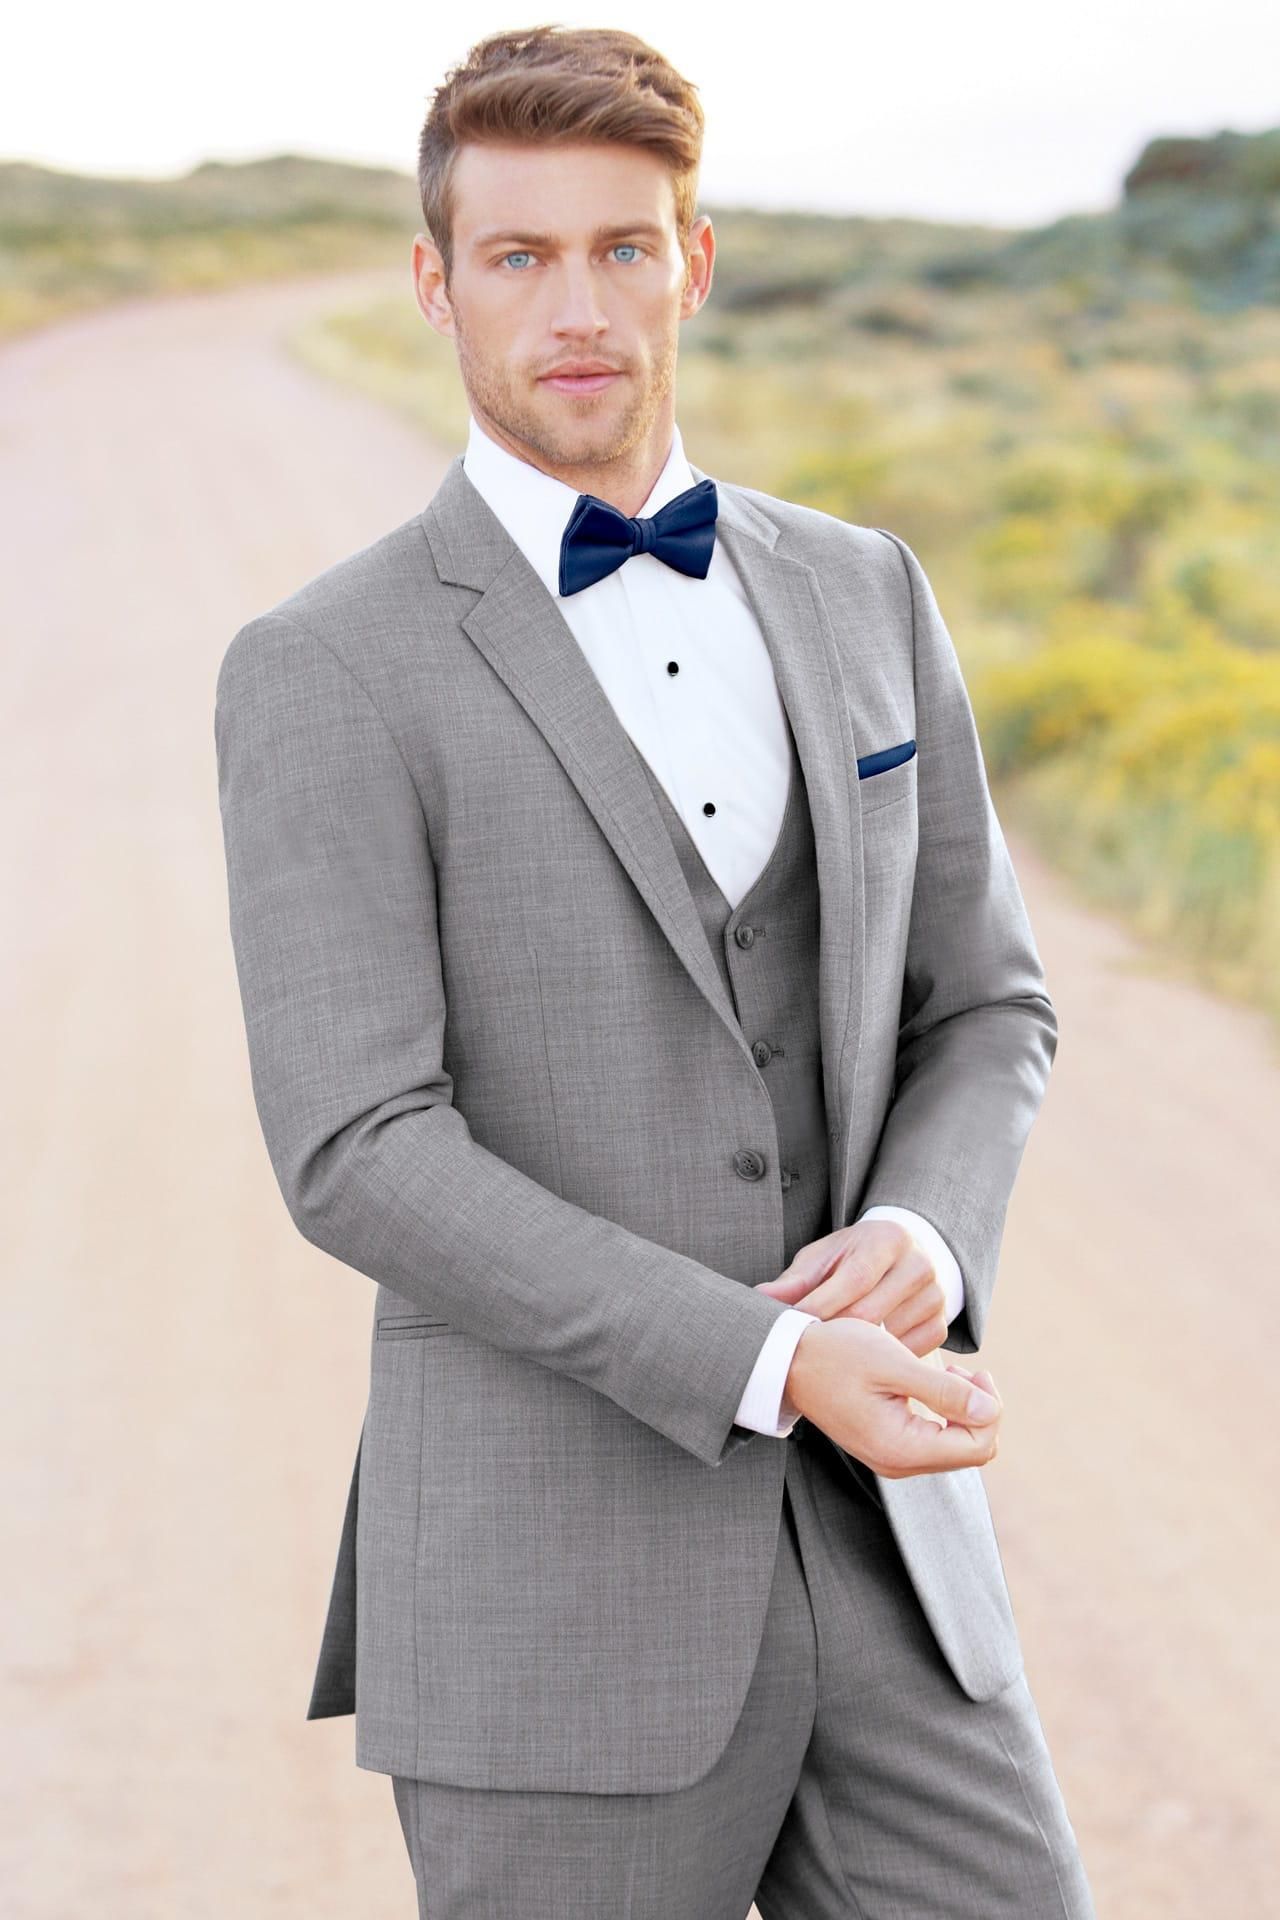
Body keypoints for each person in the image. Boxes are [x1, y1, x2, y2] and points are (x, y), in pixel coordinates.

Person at [214, 22, 1096, 1919]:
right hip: (552, 1597)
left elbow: (988, 1001)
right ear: (436, 283)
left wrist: (928, 1240)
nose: (578, 306)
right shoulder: (326, 665)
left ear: (693, 260)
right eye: (518, 256)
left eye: (623, 246)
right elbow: (359, 1147)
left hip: (891, 1570)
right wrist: (771, 1359)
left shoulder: (865, 587)